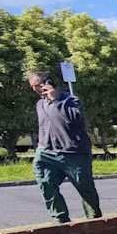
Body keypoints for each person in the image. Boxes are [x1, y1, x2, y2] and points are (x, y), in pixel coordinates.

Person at [28, 70, 102, 223]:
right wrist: (41, 145)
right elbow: (44, 125)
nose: (34, 89)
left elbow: (75, 120)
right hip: (47, 152)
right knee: (45, 181)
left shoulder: (71, 100)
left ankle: (94, 221)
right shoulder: (40, 104)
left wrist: (55, 100)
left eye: (37, 85)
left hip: (74, 153)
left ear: (48, 83)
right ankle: (60, 218)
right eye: (32, 86)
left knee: (85, 188)